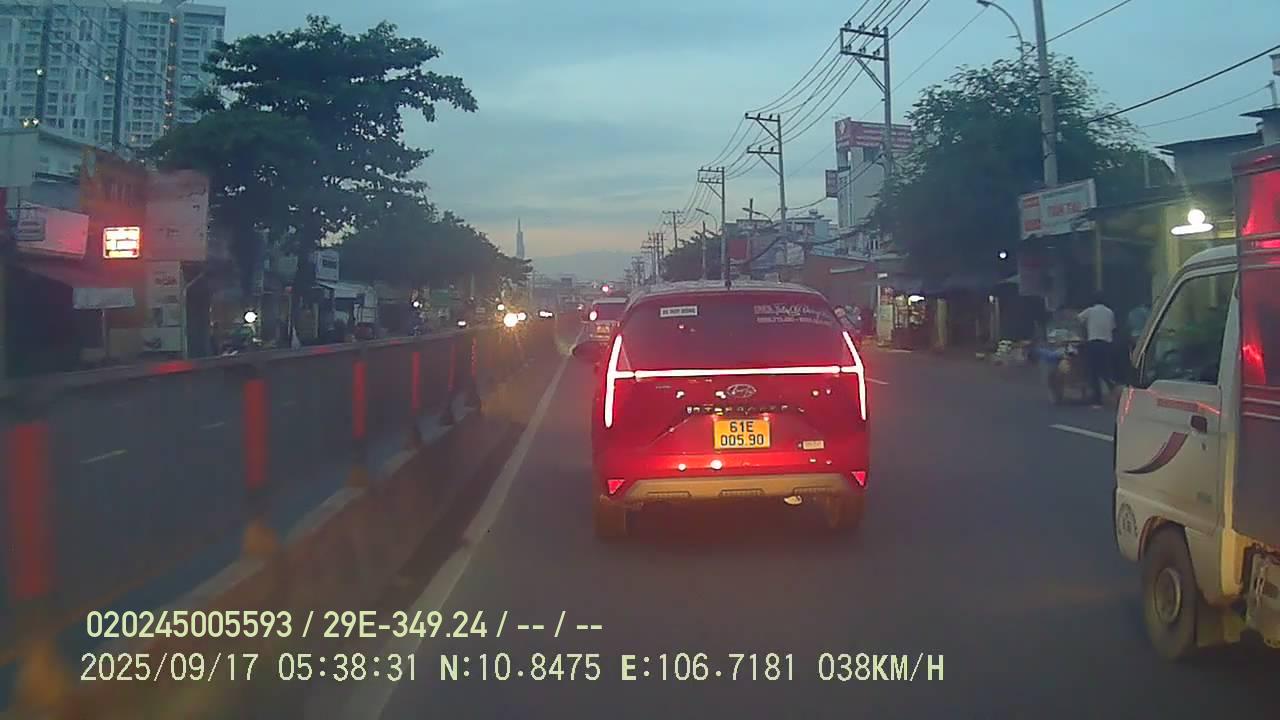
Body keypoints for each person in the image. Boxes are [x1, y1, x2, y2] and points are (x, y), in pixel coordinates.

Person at [1078, 294, 1117, 407]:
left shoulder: (1090, 310)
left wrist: (1084, 331)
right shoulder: (1110, 312)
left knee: (1094, 372)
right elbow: (1113, 328)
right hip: (1106, 344)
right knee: (1105, 371)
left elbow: (1078, 319)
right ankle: (1115, 392)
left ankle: (1097, 400)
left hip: (1094, 344)